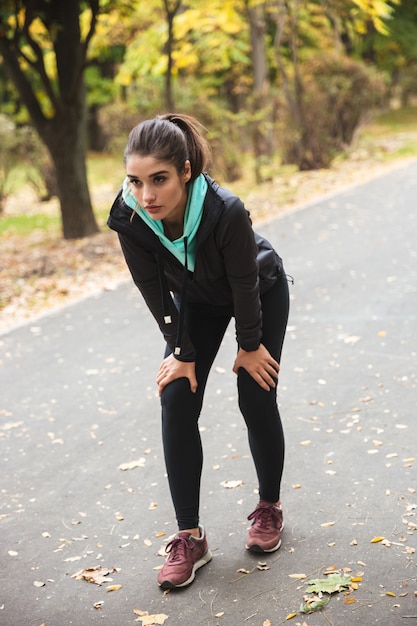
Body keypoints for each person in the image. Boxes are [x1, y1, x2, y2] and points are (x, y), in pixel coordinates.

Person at [107, 113, 290, 590]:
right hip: (197, 303)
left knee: (255, 391)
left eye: (159, 180)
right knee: (176, 396)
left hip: (257, 291)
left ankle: (268, 507)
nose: (147, 195)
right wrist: (181, 350)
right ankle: (190, 537)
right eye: (136, 181)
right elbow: (154, 293)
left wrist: (249, 346)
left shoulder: (225, 209)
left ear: (185, 171)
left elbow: (246, 284)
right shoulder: (132, 217)